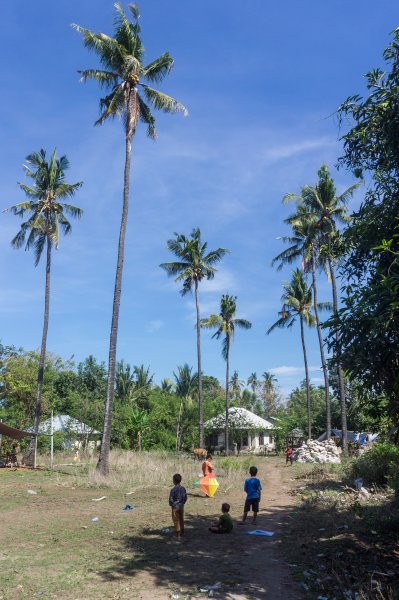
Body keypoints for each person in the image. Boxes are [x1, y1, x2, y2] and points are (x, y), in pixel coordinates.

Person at [169, 473, 187, 539]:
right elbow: (185, 497)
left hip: (175, 507)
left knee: (176, 520)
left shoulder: (173, 490)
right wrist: (183, 503)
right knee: (181, 519)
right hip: (181, 506)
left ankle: (177, 534)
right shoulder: (183, 489)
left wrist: (172, 505)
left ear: (174, 481)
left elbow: (170, 500)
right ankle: (182, 531)